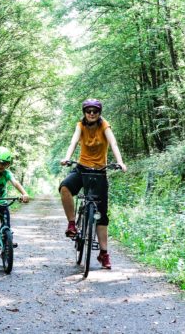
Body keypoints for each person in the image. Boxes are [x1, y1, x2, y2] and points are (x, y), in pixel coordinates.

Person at [59, 99, 127, 270]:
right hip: (82, 169)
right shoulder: (80, 126)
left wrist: (120, 162)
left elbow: (113, 143)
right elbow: (74, 141)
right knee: (65, 187)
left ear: (99, 113)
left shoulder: (104, 125)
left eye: (95, 111)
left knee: (101, 215)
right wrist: (67, 157)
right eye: (88, 111)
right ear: (84, 112)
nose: (91, 114)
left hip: (99, 172)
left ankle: (103, 253)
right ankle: (72, 224)